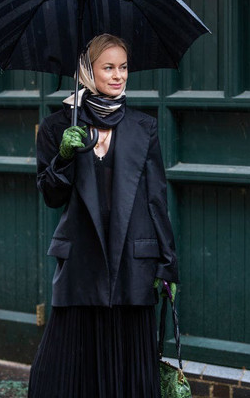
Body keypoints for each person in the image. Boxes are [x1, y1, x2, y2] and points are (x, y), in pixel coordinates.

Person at [29, 34, 178, 398]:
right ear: (86, 71)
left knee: (130, 374)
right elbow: (51, 196)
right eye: (108, 67)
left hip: (133, 262)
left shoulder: (144, 127)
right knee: (63, 374)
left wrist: (167, 265)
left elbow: (156, 199)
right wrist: (64, 157)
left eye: (123, 67)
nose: (118, 76)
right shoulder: (56, 127)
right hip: (81, 264)